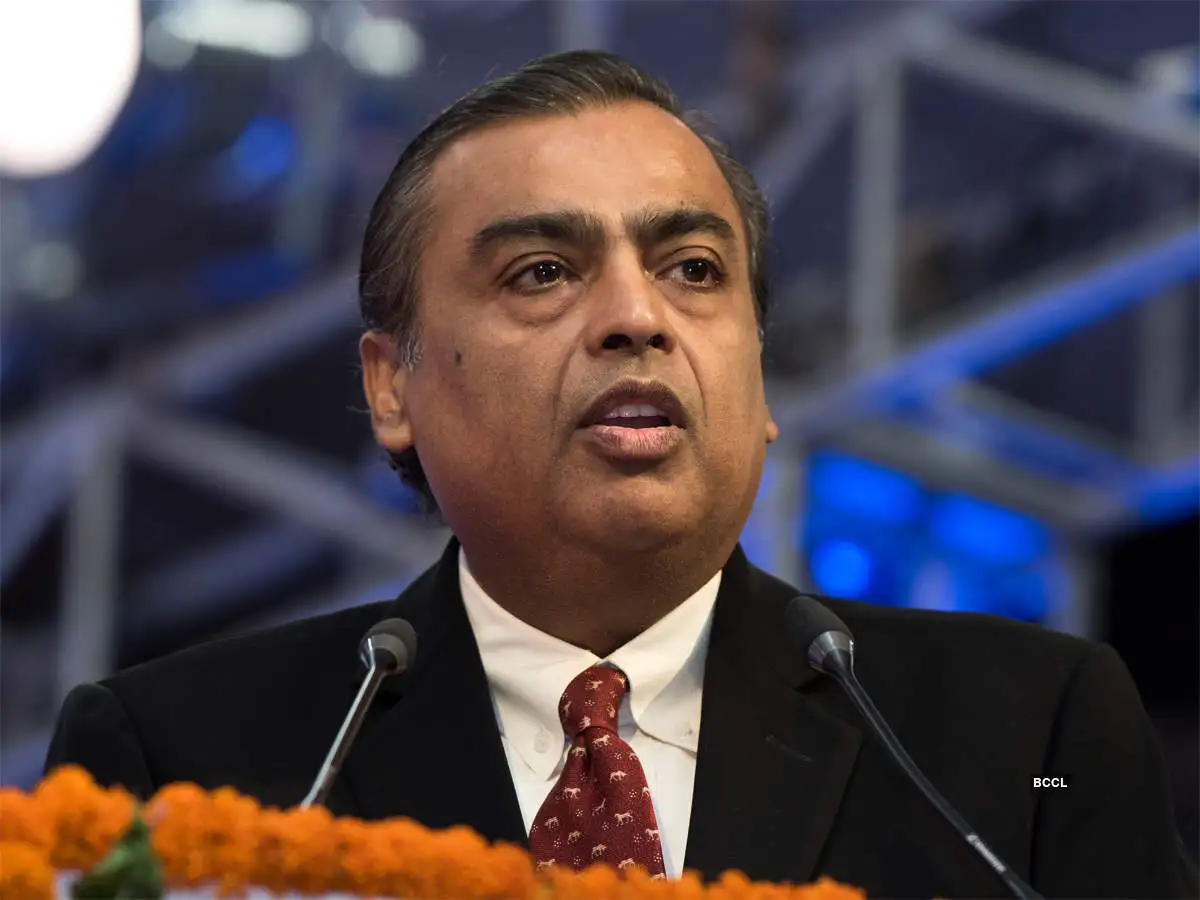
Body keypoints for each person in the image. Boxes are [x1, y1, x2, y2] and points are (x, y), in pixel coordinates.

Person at [47, 51, 1196, 898]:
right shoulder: (182, 758)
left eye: (693, 269)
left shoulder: (1024, 734)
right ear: (392, 387)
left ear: (759, 369)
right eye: (543, 273)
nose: (638, 318)